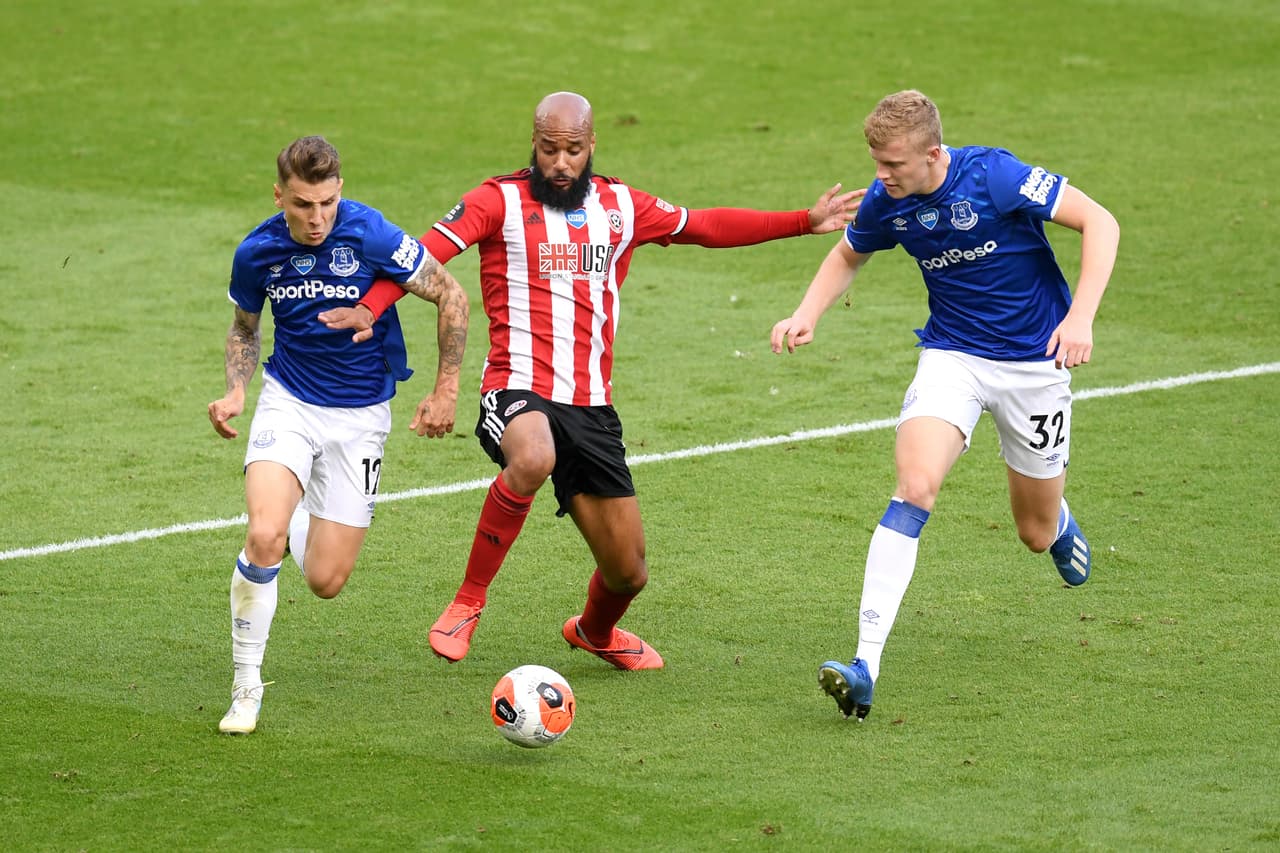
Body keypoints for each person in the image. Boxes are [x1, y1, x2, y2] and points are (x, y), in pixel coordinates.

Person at [321, 91, 861, 670]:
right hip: (516, 387)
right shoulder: (496, 200)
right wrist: (372, 307)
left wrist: (804, 222)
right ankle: (467, 601)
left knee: (629, 572)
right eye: (549, 149)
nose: (560, 163)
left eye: (573, 150)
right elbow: (420, 257)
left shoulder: (621, 205)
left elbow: (703, 225)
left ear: (592, 145)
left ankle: (595, 632)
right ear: (533, 143)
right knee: (533, 457)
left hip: (591, 408)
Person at [770, 90, 1120, 720]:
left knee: (1034, 533)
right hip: (952, 357)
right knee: (914, 487)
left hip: (1036, 367)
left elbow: (1102, 222)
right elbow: (849, 251)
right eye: (876, 162)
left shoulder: (995, 176)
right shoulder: (889, 200)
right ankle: (865, 664)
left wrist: (1082, 317)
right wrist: (807, 312)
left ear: (933, 154)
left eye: (893, 164)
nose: (881, 176)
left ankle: (1058, 523)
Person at [208, 135, 469, 734]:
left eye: (327, 203)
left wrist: (446, 389)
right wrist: (237, 389)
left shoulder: (371, 234)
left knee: (326, 581)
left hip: (361, 419)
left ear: (340, 192)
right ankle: (246, 686)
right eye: (303, 204)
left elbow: (451, 294)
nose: (317, 218)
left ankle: (297, 517)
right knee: (264, 535)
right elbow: (245, 329)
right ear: (279, 196)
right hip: (289, 403)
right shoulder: (257, 251)